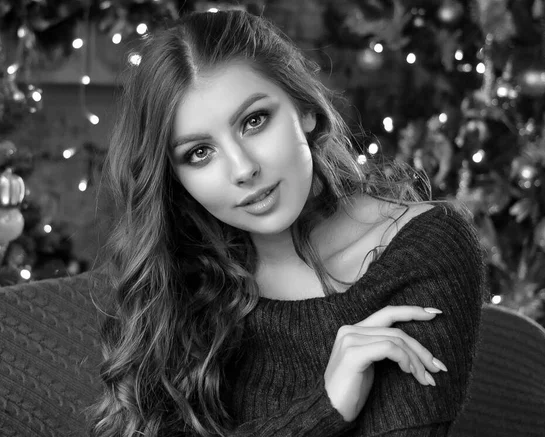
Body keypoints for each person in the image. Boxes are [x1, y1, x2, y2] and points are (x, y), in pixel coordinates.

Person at [90, 9, 487, 437]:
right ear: (177, 178)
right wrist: (326, 408)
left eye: (254, 121)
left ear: (305, 110)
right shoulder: (180, 285)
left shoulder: (423, 248)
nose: (242, 169)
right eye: (199, 153)